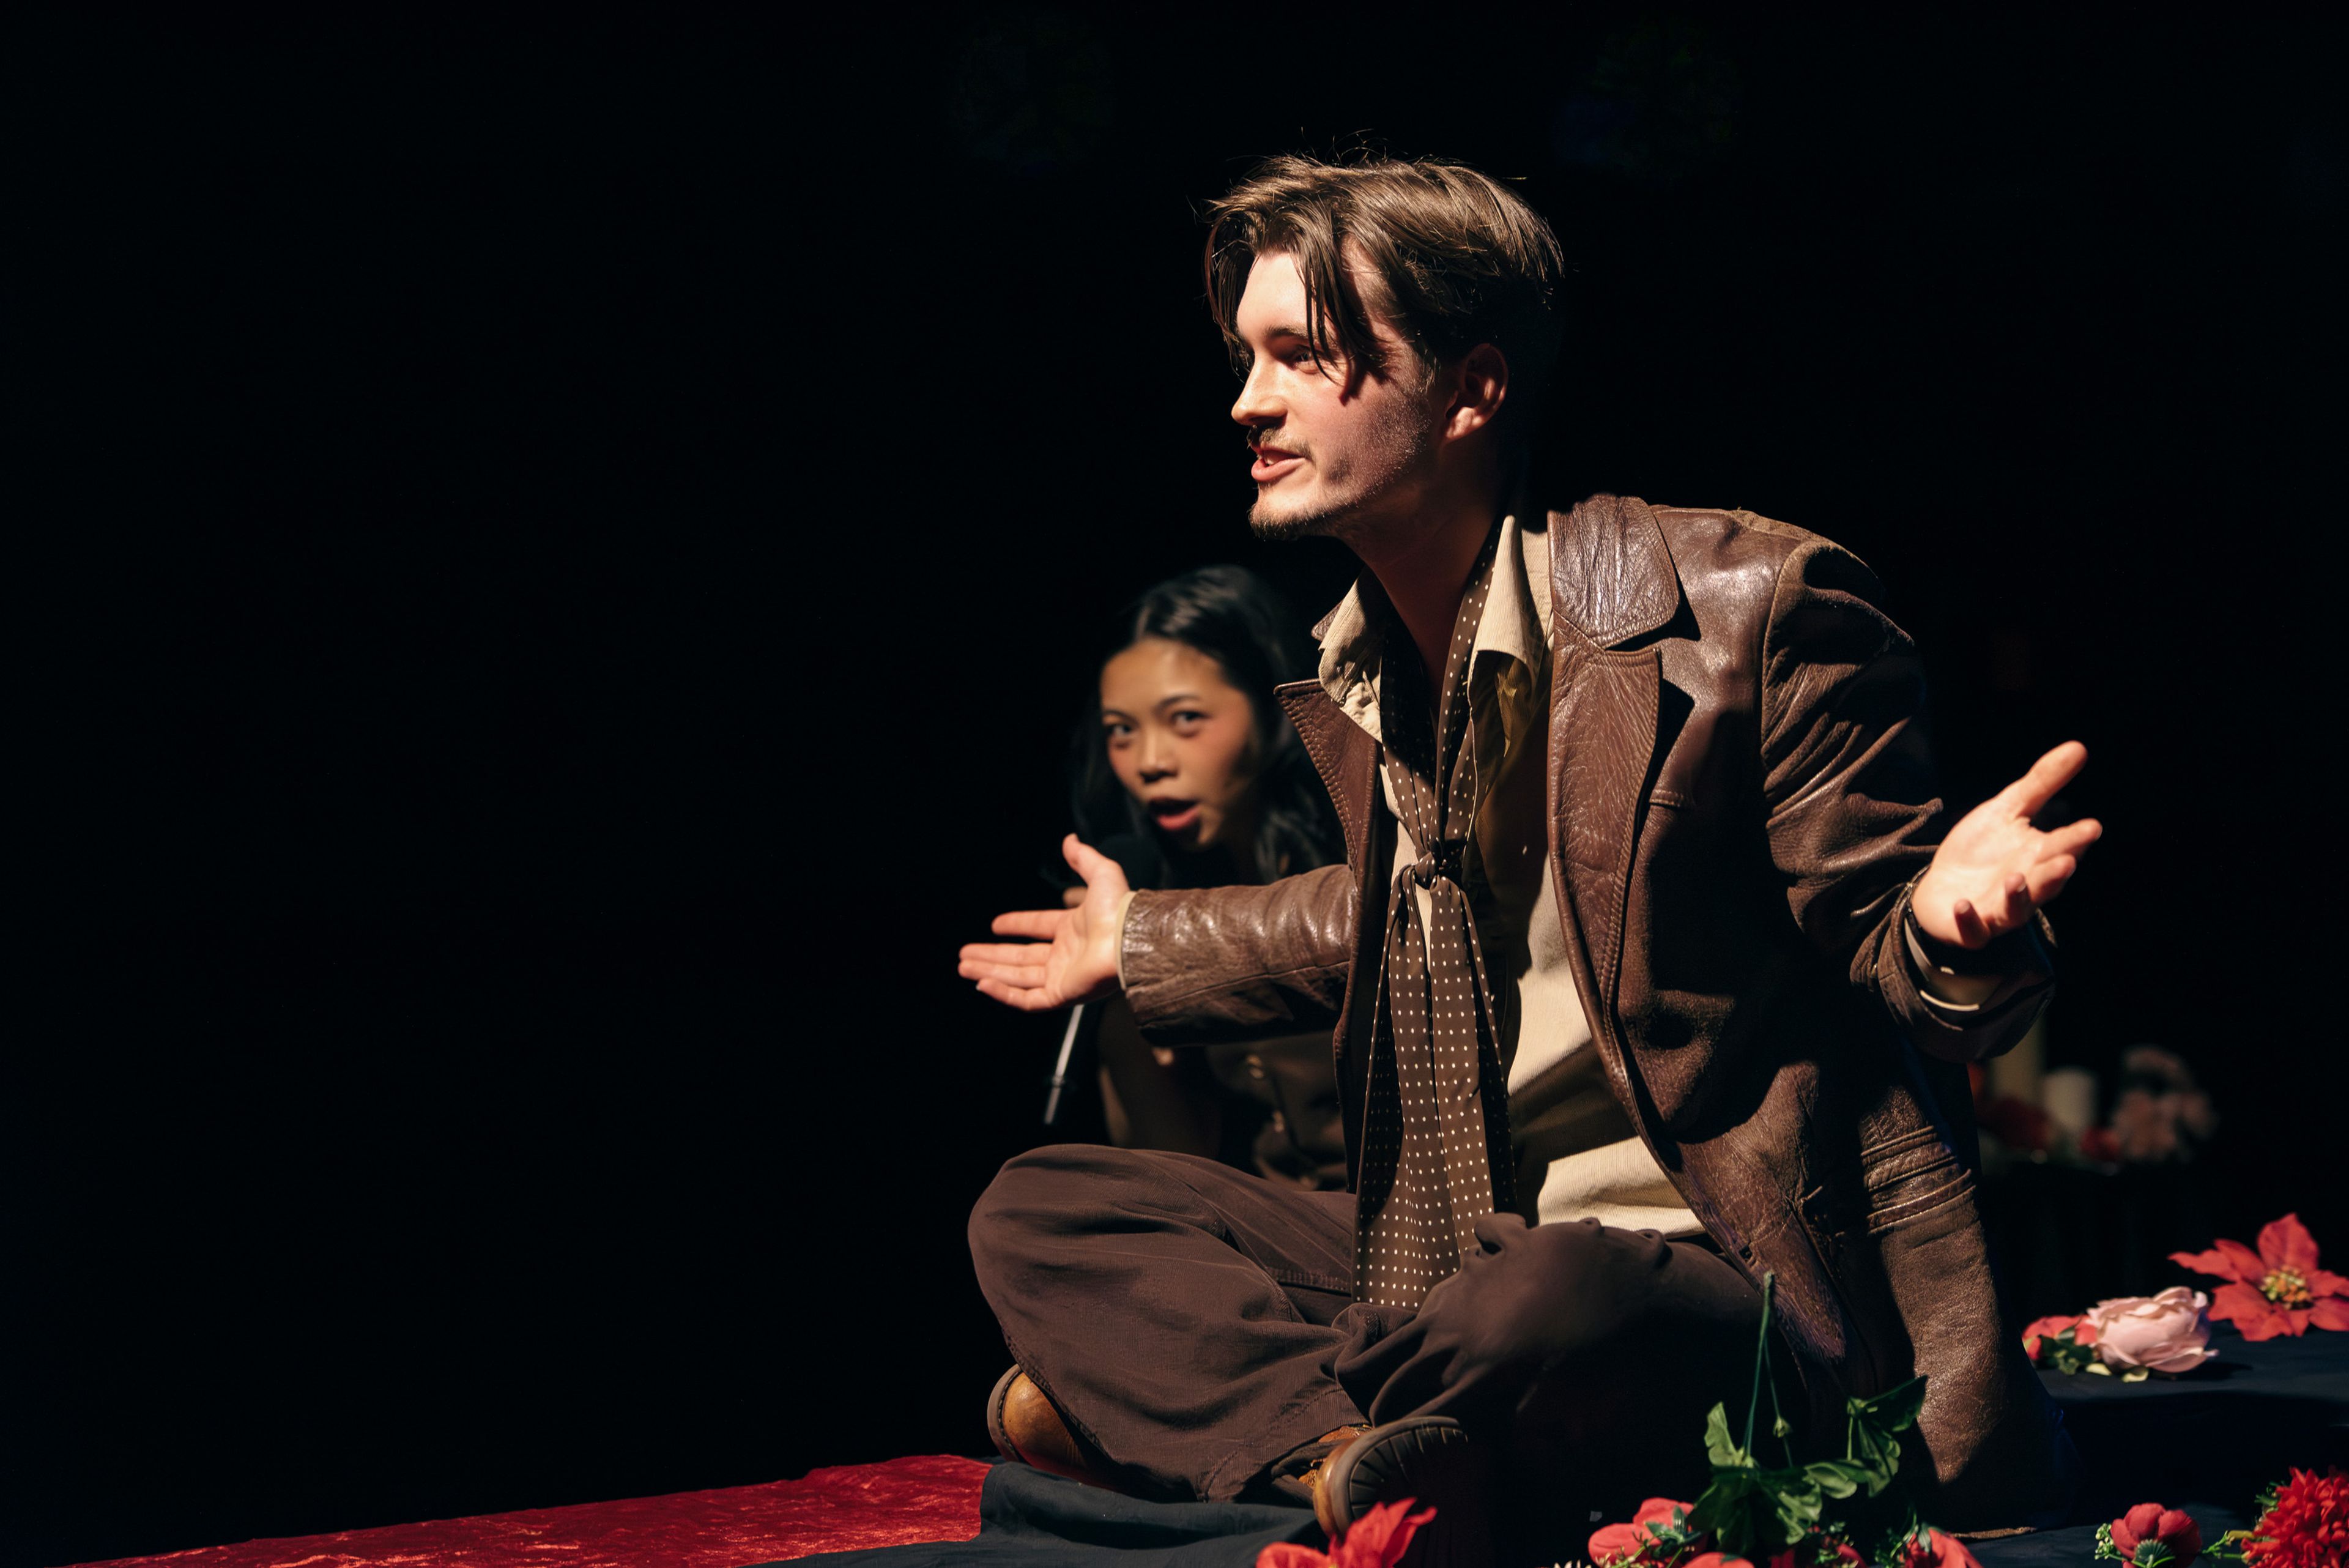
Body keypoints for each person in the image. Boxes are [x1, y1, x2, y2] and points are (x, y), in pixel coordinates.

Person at [958, 153, 2098, 1562]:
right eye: (1244, 359)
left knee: (1546, 1298)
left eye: (1302, 357)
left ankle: (1233, 1427)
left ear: (1472, 388)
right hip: (1457, 1235)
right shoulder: (1367, 669)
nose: (1248, 402)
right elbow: (1384, 916)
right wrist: (1133, 948)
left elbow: (1885, 937)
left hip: (1705, 1267)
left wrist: (1944, 928)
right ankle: (1344, 1451)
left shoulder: (1749, 611)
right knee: (1048, 1207)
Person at [1066, 566, 1348, 1189]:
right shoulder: (1162, 899)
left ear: (1271, 708)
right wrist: (1115, 986)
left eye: (1186, 718)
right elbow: (1172, 1164)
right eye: (1122, 731)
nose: (1150, 763)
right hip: (1278, 1234)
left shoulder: (1359, 872)